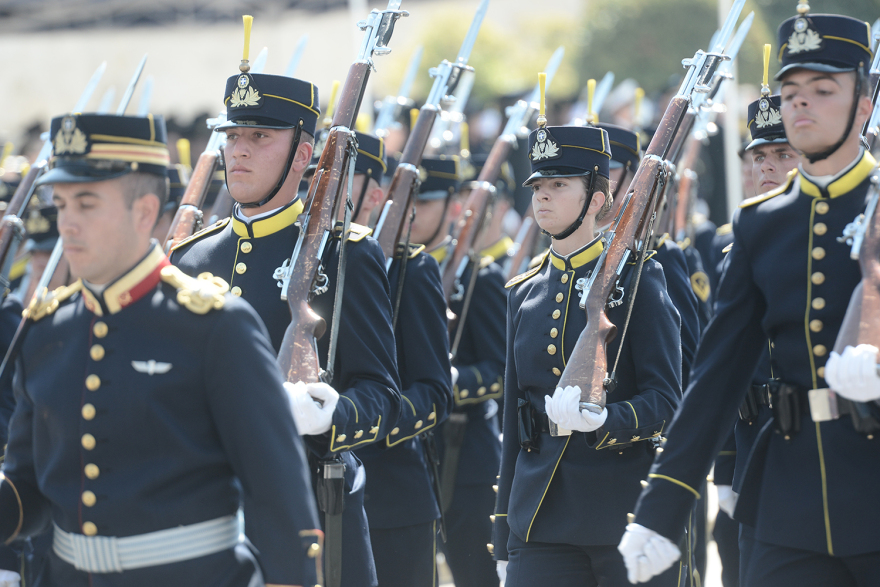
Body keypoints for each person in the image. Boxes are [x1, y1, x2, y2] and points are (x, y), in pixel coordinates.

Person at [0, 112, 322, 586]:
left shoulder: (215, 327)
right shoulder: (46, 331)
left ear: (145, 211)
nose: (67, 223)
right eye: (62, 204)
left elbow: (279, 501)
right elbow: (27, 489)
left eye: (87, 204)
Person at [620, 9, 880, 586]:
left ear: (864, 102)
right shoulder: (762, 223)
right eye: (790, 92)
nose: (801, 105)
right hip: (790, 502)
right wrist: (662, 506)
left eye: (822, 89)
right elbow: (718, 373)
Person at [170, 48, 401, 587]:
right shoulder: (190, 259)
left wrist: (331, 415)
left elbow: (383, 395)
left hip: (314, 516)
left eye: (259, 138)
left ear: (304, 154)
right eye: (232, 137)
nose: (239, 152)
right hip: (210, 519)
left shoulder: (347, 254)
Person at [493, 120, 683, 586]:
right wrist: (502, 533)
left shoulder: (638, 280)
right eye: (538, 185)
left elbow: (667, 401)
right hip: (539, 517)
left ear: (597, 199)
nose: (542, 196)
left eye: (559, 185)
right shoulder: (524, 293)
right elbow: (513, 422)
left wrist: (607, 420)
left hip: (621, 514)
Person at [329, 132, 453, 587]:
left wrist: (360, 418)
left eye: (340, 178)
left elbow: (435, 393)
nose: (318, 188)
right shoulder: (305, 263)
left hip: (392, 500)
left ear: (375, 194)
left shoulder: (411, 269)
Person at [410, 155, 506, 587]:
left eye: (425, 203)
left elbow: (503, 371)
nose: (413, 212)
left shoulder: (479, 278)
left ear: (451, 207)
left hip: (466, 458)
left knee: (475, 576)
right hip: (410, 456)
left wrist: (453, 381)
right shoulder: (391, 272)